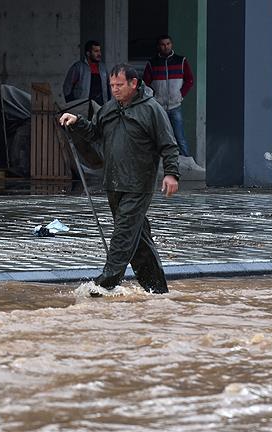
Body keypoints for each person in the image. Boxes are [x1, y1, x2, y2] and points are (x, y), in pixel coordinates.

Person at [59, 64, 179, 294]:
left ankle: (106, 283)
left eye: (119, 85)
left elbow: (169, 145)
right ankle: (156, 289)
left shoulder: (152, 110)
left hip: (139, 184)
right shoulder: (108, 109)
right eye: (112, 85)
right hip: (114, 183)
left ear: (134, 84)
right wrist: (77, 122)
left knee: (123, 234)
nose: (114, 89)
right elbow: (95, 133)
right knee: (138, 238)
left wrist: (172, 174)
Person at [142, 34, 194, 157]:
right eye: (162, 45)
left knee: (179, 137)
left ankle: (187, 165)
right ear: (158, 46)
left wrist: (180, 95)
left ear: (171, 45)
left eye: (168, 44)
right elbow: (145, 83)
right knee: (158, 137)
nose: (166, 47)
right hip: (158, 107)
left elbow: (189, 80)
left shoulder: (181, 61)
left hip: (175, 106)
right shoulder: (152, 63)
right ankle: (159, 165)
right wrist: (153, 98)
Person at [62, 40, 111, 106]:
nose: (99, 54)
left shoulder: (103, 68)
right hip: (83, 107)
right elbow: (67, 87)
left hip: (100, 107)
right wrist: (72, 105)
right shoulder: (78, 67)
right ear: (88, 53)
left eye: (99, 51)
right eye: (96, 51)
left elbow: (108, 87)